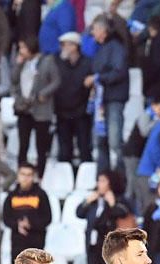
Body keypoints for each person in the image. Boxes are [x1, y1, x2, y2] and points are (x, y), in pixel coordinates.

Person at [10, 36, 60, 176]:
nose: (21, 51)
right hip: (24, 108)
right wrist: (18, 64)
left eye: (23, 48)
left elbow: (56, 81)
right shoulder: (21, 62)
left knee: (41, 146)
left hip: (41, 108)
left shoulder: (47, 61)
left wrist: (44, 93)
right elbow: (13, 79)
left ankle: (40, 174)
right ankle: (21, 173)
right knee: (23, 144)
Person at [77, 170, 133, 264]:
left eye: (103, 181)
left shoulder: (118, 199)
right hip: (92, 243)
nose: (99, 184)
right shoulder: (93, 200)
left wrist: (112, 203)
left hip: (109, 245)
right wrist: (87, 201)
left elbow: (123, 213)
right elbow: (79, 213)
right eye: (99, 181)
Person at [88, 15, 129, 173]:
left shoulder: (116, 47)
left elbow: (119, 72)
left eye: (94, 29)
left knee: (114, 141)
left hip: (114, 98)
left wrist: (98, 78)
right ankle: (103, 178)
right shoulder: (101, 48)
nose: (92, 32)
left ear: (103, 30)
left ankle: (120, 176)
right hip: (101, 100)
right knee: (101, 140)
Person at [3, 163, 53, 264]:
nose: (26, 178)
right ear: (18, 176)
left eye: (29, 175)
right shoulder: (12, 196)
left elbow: (47, 218)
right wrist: (17, 224)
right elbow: (6, 217)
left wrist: (30, 224)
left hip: (36, 242)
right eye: (23, 174)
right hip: (17, 243)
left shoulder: (41, 195)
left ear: (34, 177)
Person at [55, 31, 93, 165]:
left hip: (81, 112)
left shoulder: (87, 63)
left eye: (66, 45)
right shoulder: (57, 62)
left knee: (84, 147)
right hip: (62, 111)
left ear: (75, 46)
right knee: (64, 150)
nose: (63, 48)